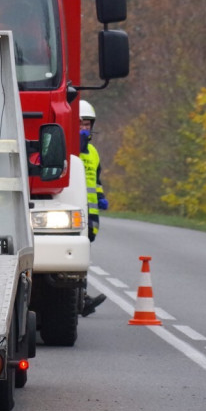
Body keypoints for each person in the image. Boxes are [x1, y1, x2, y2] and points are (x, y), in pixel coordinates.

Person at [79, 100, 108, 317]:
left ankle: (81, 298)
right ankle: (81, 299)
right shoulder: (65, 148)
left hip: (91, 215)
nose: (84, 128)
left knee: (84, 256)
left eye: (87, 124)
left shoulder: (94, 153)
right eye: (79, 124)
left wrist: (101, 196)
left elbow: (95, 181)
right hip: (72, 214)